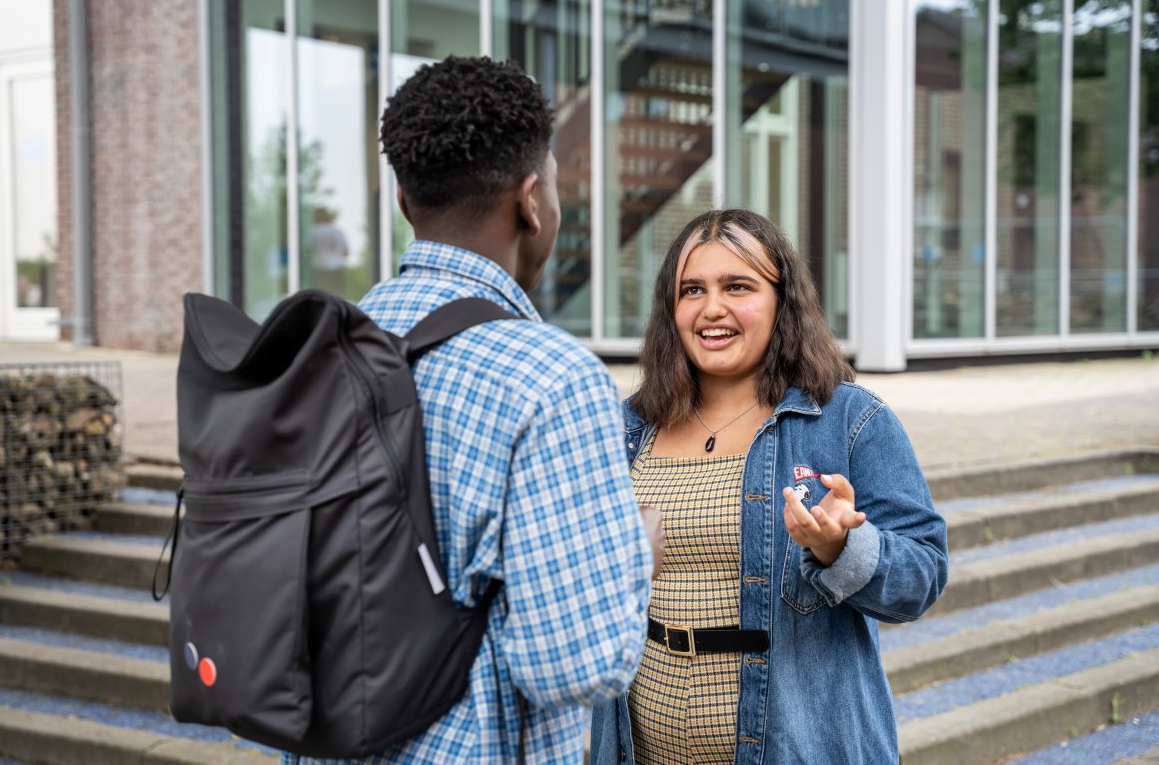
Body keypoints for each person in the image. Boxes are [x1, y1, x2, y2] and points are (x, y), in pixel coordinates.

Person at [282, 56, 660, 765]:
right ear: (531, 201)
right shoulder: (553, 379)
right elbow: (574, 665)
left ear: (402, 200)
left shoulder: (318, 349)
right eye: (552, 183)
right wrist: (638, 553)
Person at [589, 208, 948, 765]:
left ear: (783, 301)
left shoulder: (848, 421)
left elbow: (921, 578)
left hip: (795, 747)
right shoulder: (627, 428)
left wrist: (840, 548)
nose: (712, 308)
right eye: (692, 290)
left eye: (738, 286)